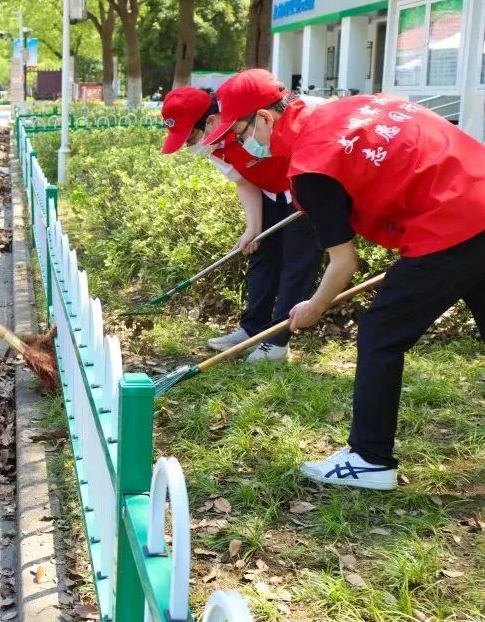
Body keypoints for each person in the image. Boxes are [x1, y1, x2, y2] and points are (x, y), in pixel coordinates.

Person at [204, 68, 485, 490]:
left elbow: (343, 263)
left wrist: (313, 307)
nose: (245, 143)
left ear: (264, 118)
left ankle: (370, 458)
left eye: (241, 131)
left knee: (379, 334)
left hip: (449, 223)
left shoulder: (311, 166)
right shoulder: (346, 110)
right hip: (477, 193)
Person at [160, 87, 324, 362]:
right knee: (260, 253)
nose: (191, 145)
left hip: (304, 190)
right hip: (270, 194)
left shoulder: (248, 121)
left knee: (296, 263)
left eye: (191, 136)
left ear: (211, 120)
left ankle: (277, 340)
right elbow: (244, 180)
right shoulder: (213, 145)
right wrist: (253, 228)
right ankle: (252, 329)